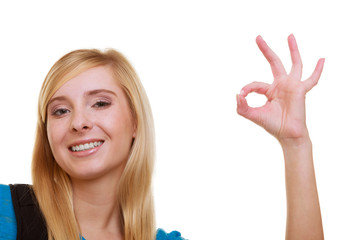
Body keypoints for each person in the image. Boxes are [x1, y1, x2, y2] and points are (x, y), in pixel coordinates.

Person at [0, 34, 324, 240]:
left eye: (100, 103)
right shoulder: (8, 212)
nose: (79, 122)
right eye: (60, 111)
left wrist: (296, 145)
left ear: (136, 123)